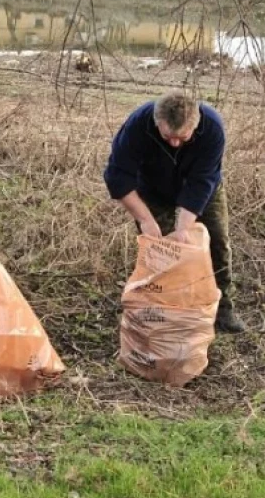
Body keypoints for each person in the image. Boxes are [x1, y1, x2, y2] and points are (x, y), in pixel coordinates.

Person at [104, 91, 246, 333]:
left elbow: (201, 182)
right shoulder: (138, 124)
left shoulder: (212, 128)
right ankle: (164, 309)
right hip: (152, 189)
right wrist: (146, 220)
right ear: (157, 122)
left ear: (195, 124)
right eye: (168, 136)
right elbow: (117, 177)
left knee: (217, 243)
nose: (175, 143)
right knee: (160, 252)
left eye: (182, 137)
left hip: (203, 189)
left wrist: (183, 228)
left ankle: (223, 306)